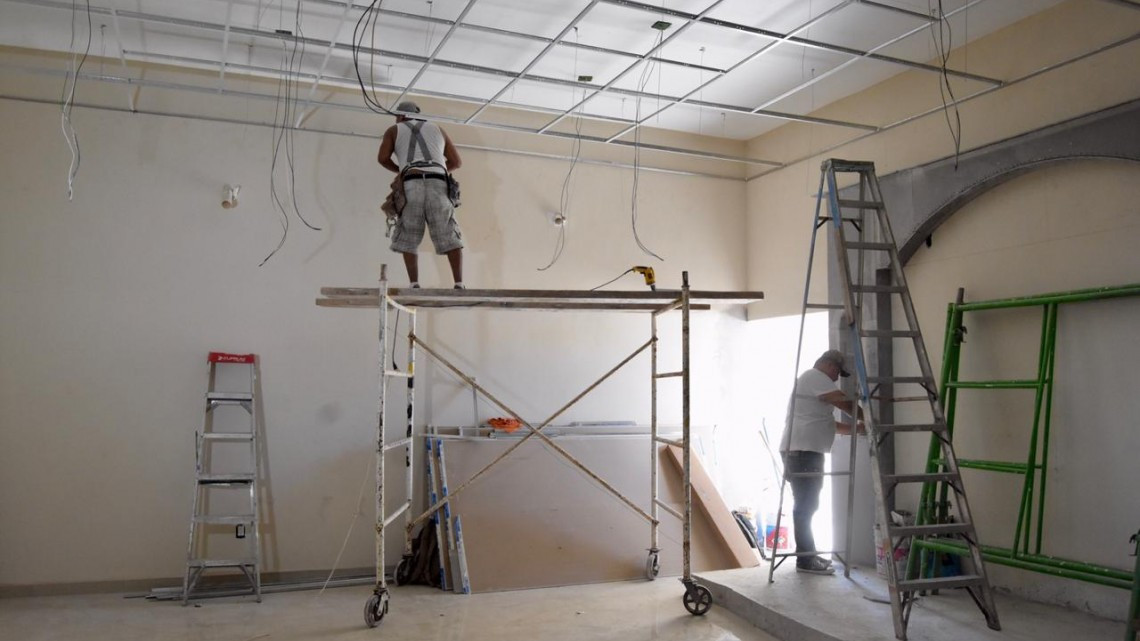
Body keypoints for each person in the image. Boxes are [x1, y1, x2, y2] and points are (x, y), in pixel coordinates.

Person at [779, 349, 865, 575]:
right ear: (829, 365)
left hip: (803, 451)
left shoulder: (812, 385)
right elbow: (844, 404)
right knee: (806, 506)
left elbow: (828, 424)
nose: (836, 379)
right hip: (803, 451)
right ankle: (805, 560)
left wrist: (857, 429)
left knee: (807, 505)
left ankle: (808, 555)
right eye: (837, 372)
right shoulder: (815, 377)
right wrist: (868, 416)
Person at [377, 101, 465, 289]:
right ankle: (459, 283)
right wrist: (438, 169)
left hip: (411, 183)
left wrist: (401, 171)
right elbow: (456, 162)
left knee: (409, 232)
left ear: (400, 116)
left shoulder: (394, 130)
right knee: (449, 232)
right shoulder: (437, 129)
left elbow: (382, 158)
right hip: (438, 183)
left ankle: (414, 284)